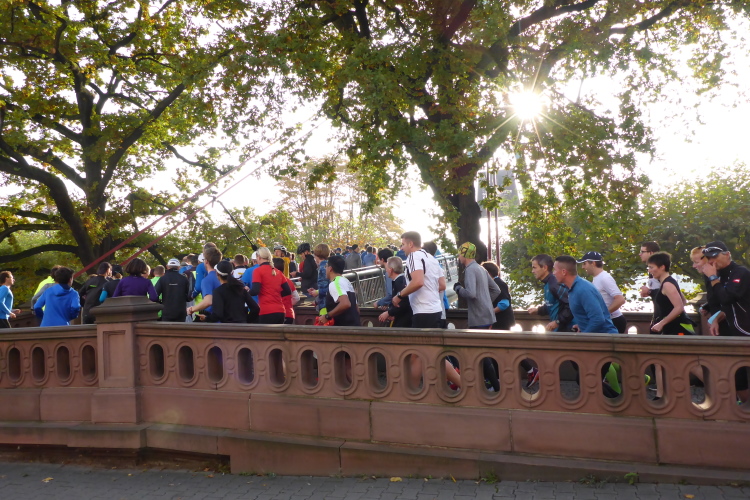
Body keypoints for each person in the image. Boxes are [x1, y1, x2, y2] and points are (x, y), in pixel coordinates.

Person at [701, 241, 750, 403]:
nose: (711, 261)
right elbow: (715, 301)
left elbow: (727, 297)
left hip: (746, 329)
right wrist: (714, 317)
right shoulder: (714, 275)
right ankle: (744, 409)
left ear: (727, 254)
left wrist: (713, 278)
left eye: (715, 256)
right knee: (736, 376)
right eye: (709, 258)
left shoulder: (740, 272)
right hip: (730, 331)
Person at [391, 231, 444, 328]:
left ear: (410, 244)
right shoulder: (431, 258)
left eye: (403, 244)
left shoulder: (413, 256)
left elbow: (418, 282)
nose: (401, 248)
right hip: (436, 310)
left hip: (422, 311)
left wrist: (399, 295)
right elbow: (442, 285)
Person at [553, 256, 618, 334]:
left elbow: (598, 319)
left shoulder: (583, 289)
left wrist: (583, 336)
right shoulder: (573, 288)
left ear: (564, 272)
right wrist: (582, 325)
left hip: (605, 338)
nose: (553, 273)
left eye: (555, 269)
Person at [645, 252, 695, 335]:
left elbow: (679, 307)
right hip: (673, 326)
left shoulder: (667, 284)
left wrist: (661, 323)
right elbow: (683, 300)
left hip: (677, 328)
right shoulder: (669, 281)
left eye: (651, 267)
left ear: (662, 267)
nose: (649, 270)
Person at [453, 242, 500, 329]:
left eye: (459, 254)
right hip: (489, 316)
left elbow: (471, 293)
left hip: (478, 318)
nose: (459, 257)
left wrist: (458, 289)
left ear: (464, 255)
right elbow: (496, 290)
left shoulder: (470, 270)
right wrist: (485, 302)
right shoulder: (481, 268)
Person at [578, 252, 627, 334]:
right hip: (606, 320)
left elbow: (620, 300)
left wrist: (603, 314)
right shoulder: (597, 278)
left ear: (593, 263)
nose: (583, 267)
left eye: (584, 264)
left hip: (614, 321)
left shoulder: (605, 278)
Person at [527, 254, 572, 332]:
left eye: (534, 267)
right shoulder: (548, 284)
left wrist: (558, 322)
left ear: (545, 268)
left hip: (567, 331)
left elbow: (571, 304)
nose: (532, 271)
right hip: (558, 331)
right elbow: (552, 305)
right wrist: (538, 310)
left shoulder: (554, 284)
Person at [248, 246, 292, 324]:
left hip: (266, 310)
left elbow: (255, 291)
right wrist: (276, 294)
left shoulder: (257, 271)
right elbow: (288, 291)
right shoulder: (278, 272)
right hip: (280, 310)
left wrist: (247, 291)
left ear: (259, 257)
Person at [321, 255, 361, 326]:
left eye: (326, 266)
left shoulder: (335, 283)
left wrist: (327, 316)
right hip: (355, 325)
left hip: (343, 328)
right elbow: (356, 308)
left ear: (330, 269)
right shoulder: (346, 281)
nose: (325, 269)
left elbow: (345, 303)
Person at [188, 246, 223, 319]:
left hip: (213, 317)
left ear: (206, 261)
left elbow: (208, 302)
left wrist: (192, 309)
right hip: (227, 318)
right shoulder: (224, 277)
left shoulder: (207, 280)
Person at [378, 256, 412, 327]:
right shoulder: (401, 280)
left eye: (386, 269)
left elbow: (403, 302)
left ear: (391, 270)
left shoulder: (399, 282)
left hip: (404, 320)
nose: (386, 271)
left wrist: (389, 313)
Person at [481, 262, 515, 330]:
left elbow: (504, 304)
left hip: (501, 321)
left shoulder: (499, 284)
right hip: (499, 321)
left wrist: (489, 313)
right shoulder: (496, 283)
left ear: (488, 273)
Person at [274, 257, 300, 324]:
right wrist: (288, 303)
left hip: (275, 313)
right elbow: (297, 298)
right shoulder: (289, 281)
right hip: (289, 313)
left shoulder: (270, 282)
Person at [307, 243, 331, 314]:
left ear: (316, 254)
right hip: (328, 304)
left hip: (325, 305)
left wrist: (317, 292)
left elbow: (329, 289)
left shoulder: (322, 269)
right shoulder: (328, 265)